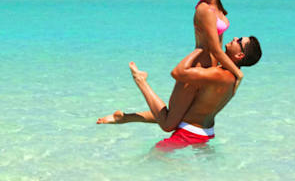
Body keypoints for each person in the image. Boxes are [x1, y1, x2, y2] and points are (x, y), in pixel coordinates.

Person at [97, 36, 262, 149]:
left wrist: (199, 49)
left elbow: (178, 72)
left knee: (152, 161)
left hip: (190, 133)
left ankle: (141, 81)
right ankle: (126, 118)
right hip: (204, 131)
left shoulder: (220, 75)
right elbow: (187, 114)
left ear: (239, 54)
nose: (235, 38)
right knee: (178, 114)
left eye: (239, 41)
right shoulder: (235, 77)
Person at [187, 0, 244, 85]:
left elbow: (219, 44)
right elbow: (215, 49)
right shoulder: (204, 9)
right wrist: (238, 73)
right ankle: (144, 83)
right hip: (200, 69)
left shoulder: (217, 8)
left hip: (211, 69)